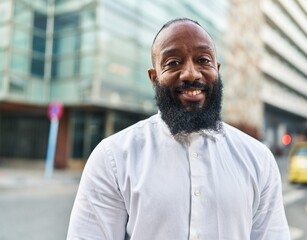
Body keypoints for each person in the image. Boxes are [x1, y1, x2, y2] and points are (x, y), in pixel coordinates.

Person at [67, 18, 290, 240]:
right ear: (154, 78)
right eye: (173, 63)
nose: (191, 74)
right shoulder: (112, 158)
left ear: (217, 71)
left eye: (203, 60)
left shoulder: (259, 159)